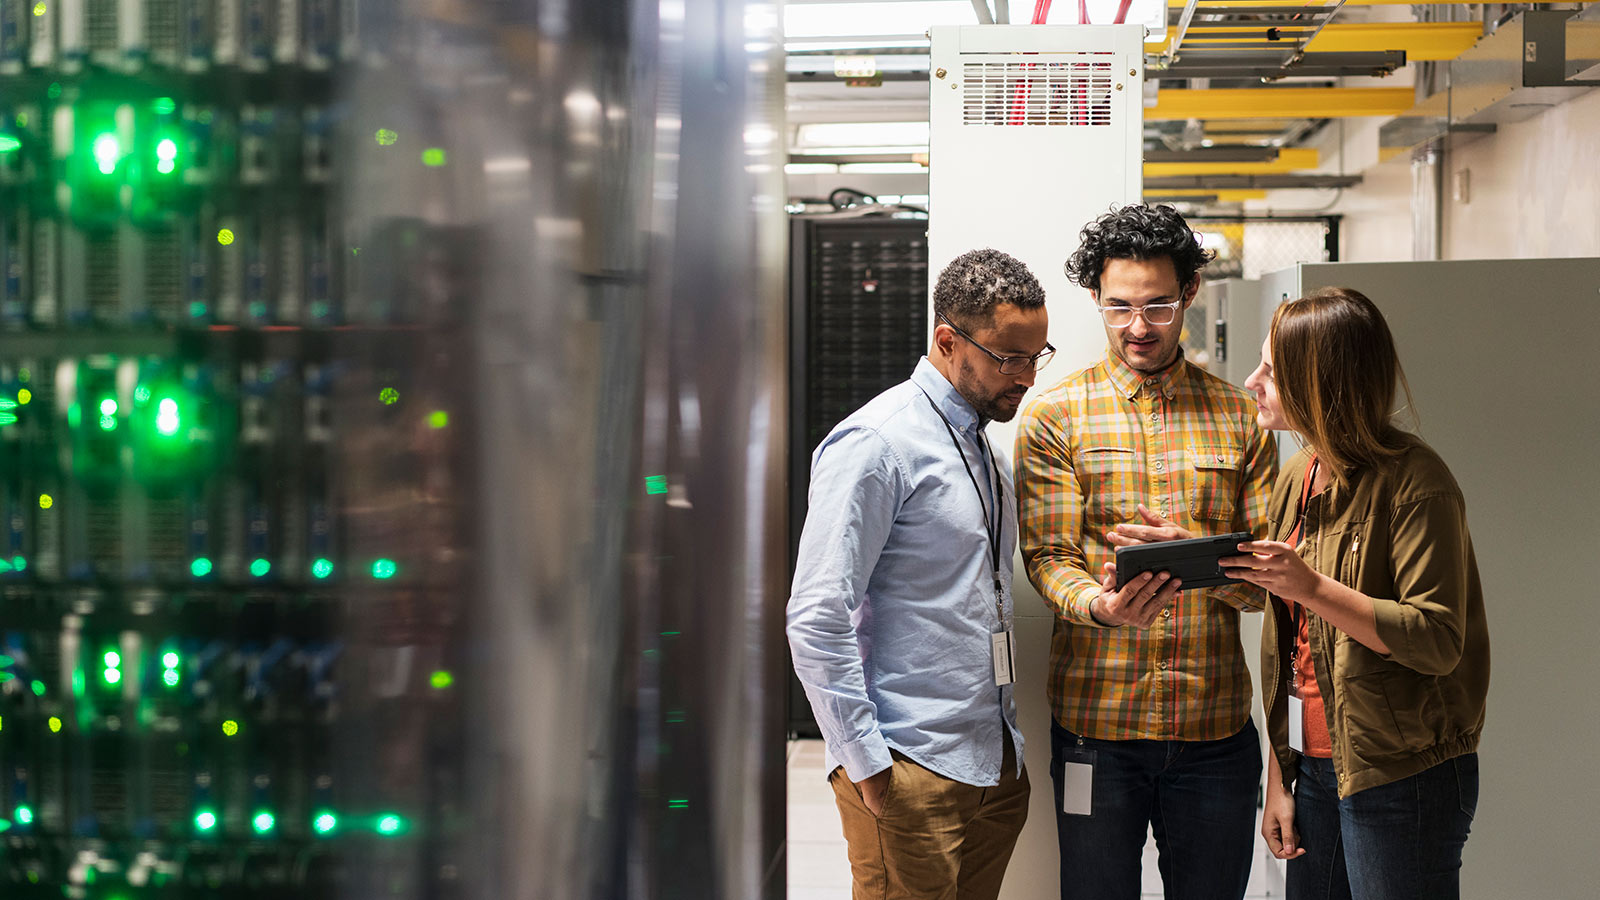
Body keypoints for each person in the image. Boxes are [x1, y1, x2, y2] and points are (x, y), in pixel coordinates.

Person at [1014, 204, 1277, 900]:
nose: (1138, 326)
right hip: (1096, 730)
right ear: (1095, 298)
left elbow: (1268, 579)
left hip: (1215, 732)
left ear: (1189, 292)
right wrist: (1099, 606)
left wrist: (1203, 561)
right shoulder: (1055, 416)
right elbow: (1047, 558)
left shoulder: (1242, 415)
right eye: (1119, 307)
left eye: (1158, 306)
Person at [787, 248, 1052, 900]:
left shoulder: (981, 446)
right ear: (947, 341)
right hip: (909, 766)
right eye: (1009, 359)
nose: (1026, 377)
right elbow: (816, 617)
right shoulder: (877, 443)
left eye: (1036, 357)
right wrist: (868, 767)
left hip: (992, 763)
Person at [1226, 286, 1489, 900]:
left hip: (1401, 776)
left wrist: (1311, 586)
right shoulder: (1299, 473)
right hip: (1314, 768)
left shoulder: (1417, 482)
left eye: (1272, 371)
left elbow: (1437, 640)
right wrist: (1280, 777)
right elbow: (1295, 648)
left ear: (1321, 383)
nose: (1252, 382)